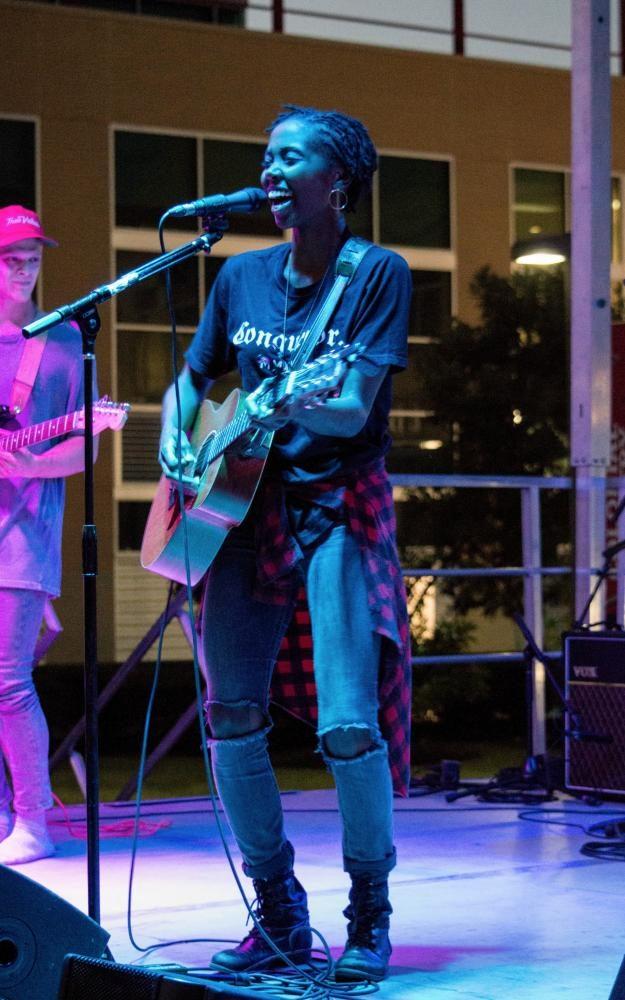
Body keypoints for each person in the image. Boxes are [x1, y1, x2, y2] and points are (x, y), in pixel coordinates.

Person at [159, 106, 412, 982]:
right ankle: (277, 910)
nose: (269, 170)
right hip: (237, 507)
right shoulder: (239, 275)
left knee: (346, 723)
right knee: (231, 715)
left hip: (334, 504)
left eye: (289, 157)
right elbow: (192, 380)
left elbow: (348, 409)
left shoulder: (375, 273)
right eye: (265, 156)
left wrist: (289, 398)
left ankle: (369, 912)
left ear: (335, 181)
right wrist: (175, 436)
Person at [0, 205, 90, 865]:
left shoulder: (57, 345)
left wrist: (34, 462)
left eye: (33, 257)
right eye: (12, 257)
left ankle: (36, 821)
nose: (26, 269)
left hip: (23, 536)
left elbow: (85, 443)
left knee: (7, 680)